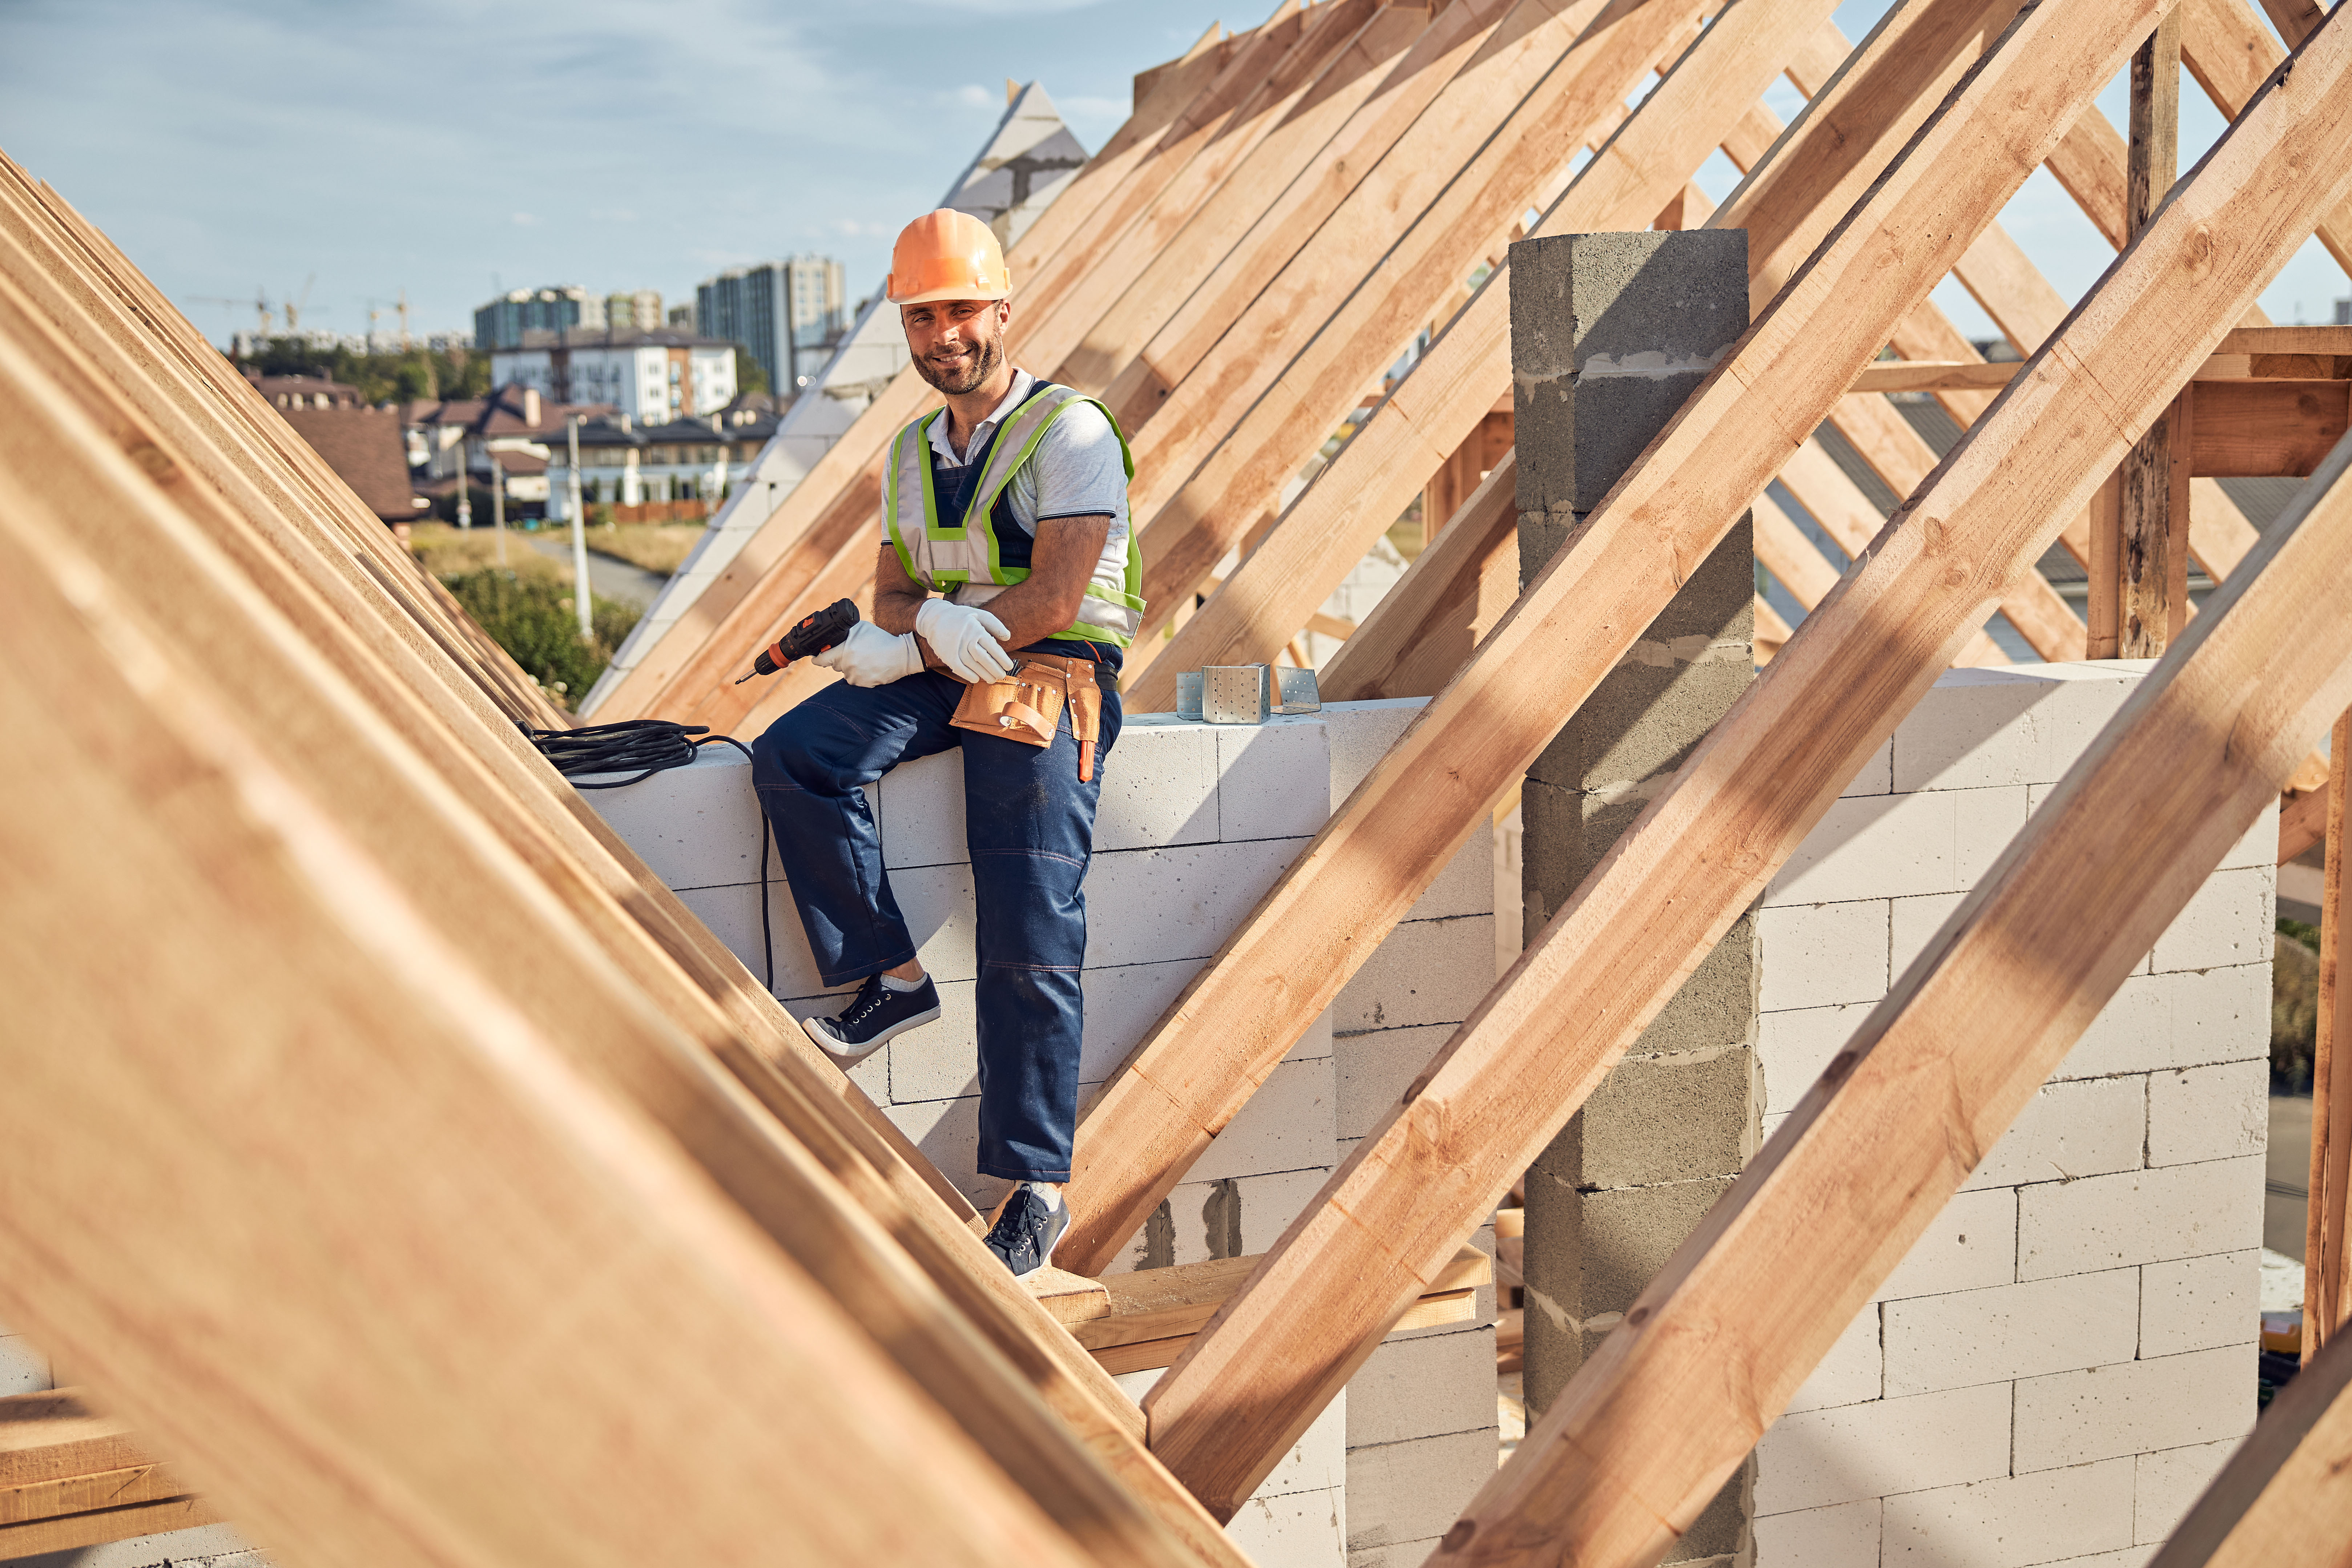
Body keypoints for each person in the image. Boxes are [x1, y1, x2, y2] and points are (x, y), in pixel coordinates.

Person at [750, 209, 1142, 1279]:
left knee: (1027, 913)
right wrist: (917, 632)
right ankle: (890, 975)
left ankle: (1035, 1186)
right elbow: (891, 589)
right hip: (948, 657)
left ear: (1003, 311)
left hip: (1051, 669)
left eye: (962, 311)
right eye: (923, 318)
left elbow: (1057, 592)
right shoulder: (913, 452)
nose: (944, 335)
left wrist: (946, 632)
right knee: (795, 758)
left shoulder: (1071, 432)